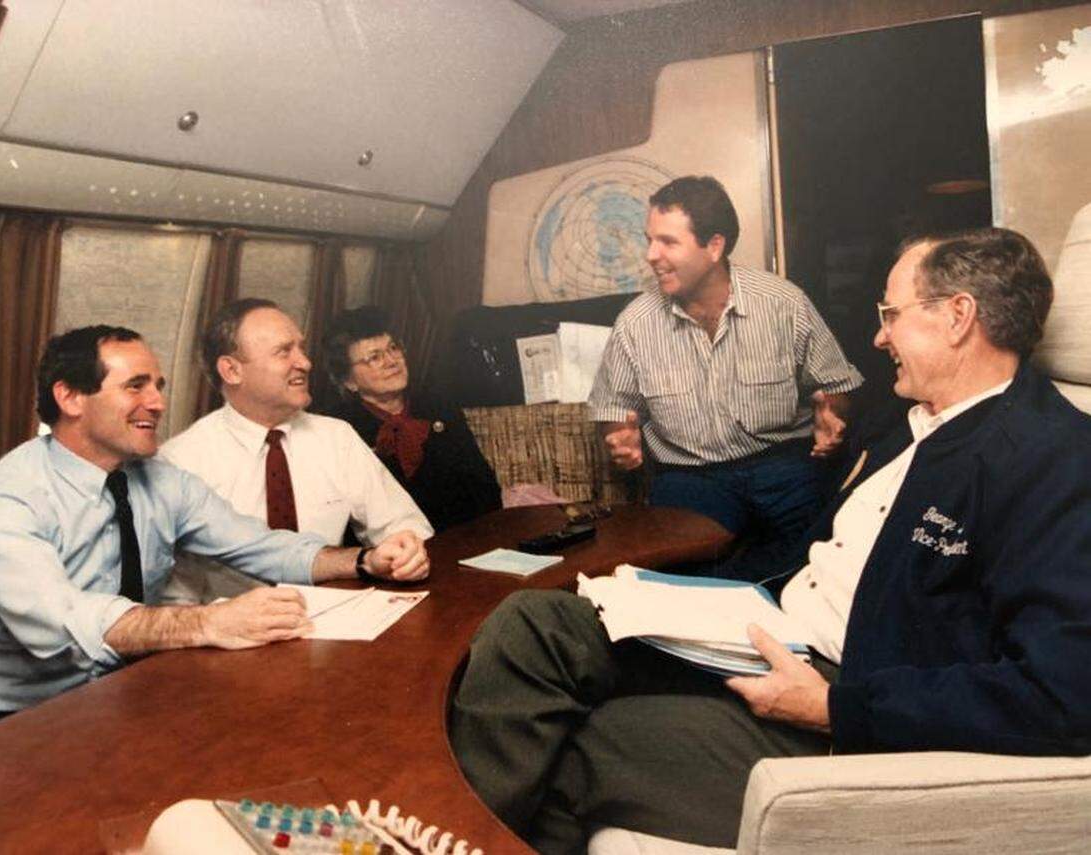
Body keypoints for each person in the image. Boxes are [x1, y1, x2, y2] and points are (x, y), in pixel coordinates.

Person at [451, 227, 1091, 853]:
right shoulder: (906, 424)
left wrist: (838, 708)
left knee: (582, 745)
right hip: (769, 629)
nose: (878, 335)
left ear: (958, 316)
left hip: (844, 699)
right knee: (534, 623)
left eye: (890, 314)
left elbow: (1065, 693)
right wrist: (680, 599)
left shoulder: (1054, 460)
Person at [0, 326, 429, 738]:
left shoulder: (161, 480)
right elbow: (67, 623)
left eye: (158, 386)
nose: (158, 403)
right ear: (70, 397)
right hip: (3, 720)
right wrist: (211, 623)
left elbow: (259, 546)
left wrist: (364, 560)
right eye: (135, 386)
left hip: (121, 690)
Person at [590, 175, 863, 573]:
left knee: (827, 561)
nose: (651, 254)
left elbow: (836, 387)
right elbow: (615, 410)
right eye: (649, 239)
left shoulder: (784, 303)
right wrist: (619, 439)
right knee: (682, 573)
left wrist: (833, 416)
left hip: (784, 466)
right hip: (690, 476)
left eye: (668, 241)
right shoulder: (635, 323)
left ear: (714, 246)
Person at [161, 299, 433, 602]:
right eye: (283, 351)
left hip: (339, 619)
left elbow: (403, 523)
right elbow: (173, 595)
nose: (305, 362)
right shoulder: (182, 460)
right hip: (229, 634)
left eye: (301, 349)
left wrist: (406, 550)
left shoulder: (335, 437)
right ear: (232, 370)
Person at [319, 306, 502, 533]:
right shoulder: (340, 430)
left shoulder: (438, 405)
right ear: (348, 381)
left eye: (393, 348)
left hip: (468, 537)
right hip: (397, 554)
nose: (392, 361)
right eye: (374, 357)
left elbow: (483, 484)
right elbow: (344, 522)